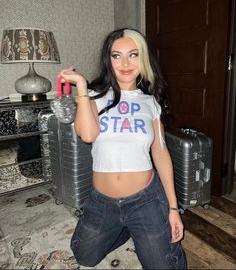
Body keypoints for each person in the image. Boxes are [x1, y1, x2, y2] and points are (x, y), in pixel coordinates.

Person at [59, 28, 187, 269]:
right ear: (108, 60)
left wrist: (173, 208)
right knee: (83, 256)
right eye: (116, 55)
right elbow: (87, 135)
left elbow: (160, 153)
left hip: (146, 199)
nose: (125, 63)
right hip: (101, 201)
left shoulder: (151, 101)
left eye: (133, 54)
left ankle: (140, 227)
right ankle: (127, 230)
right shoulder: (94, 96)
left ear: (144, 59)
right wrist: (82, 89)